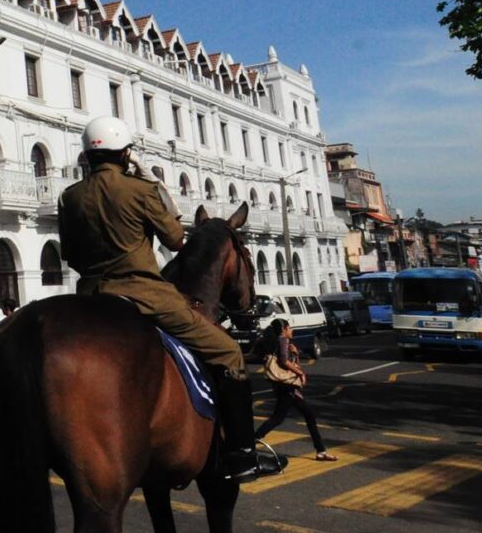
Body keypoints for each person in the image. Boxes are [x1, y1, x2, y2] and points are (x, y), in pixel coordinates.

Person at [58, 116, 283, 482]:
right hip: (145, 294)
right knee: (229, 353)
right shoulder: (138, 190)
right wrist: (156, 189)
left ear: (88, 155)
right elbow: (177, 240)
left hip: (90, 295)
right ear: (126, 154)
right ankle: (243, 456)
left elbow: (70, 254)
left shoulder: (69, 197)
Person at [255, 319, 335, 461]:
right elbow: (284, 361)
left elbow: (292, 363)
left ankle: (252, 440)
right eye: (290, 327)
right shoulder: (283, 340)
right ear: (284, 329)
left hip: (283, 385)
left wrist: (296, 354)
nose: (292, 330)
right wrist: (300, 373)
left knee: (280, 417)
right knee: (299, 416)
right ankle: (320, 451)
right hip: (288, 386)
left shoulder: (277, 342)